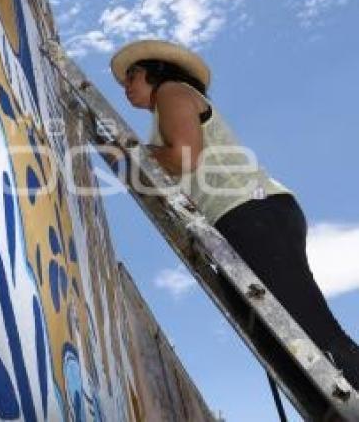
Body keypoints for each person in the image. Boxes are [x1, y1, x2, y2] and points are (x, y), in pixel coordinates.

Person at [110, 38, 359, 388]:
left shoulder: (171, 92)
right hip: (241, 218)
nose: (125, 86)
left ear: (156, 71)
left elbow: (183, 157)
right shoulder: (163, 115)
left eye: (132, 76)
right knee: (275, 336)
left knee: (304, 324)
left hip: (250, 210)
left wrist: (129, 152)